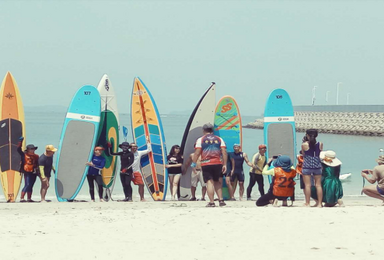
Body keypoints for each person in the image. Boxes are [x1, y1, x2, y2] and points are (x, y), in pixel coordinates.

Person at [192, 123, 227, 207]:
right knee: (217, 182)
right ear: (212, 130)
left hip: (206, 163)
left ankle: (212, 202)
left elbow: (197, 153)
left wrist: (193, 164)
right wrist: (225, 164)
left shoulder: (201, 139)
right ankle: (221, 200)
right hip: (217, 162)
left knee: (209, 182)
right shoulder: (219, 139)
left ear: (203, 130)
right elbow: (224, 152)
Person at [301, 129, 323, 207]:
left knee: (307, 185)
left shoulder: (304, 145)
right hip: (317, 165)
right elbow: (319, 153)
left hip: (307, 165)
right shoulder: (320, 144)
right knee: (318, 185)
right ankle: (320, 203)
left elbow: (304, 154)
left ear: (307, 135)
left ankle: (307, 203)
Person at [17, 138, 40, 202]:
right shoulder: (24, 155)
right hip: (27, 171)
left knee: (31, 185)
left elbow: (38, 164)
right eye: (31, 149)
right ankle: (22, 198)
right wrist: (20, 141)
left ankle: (29, 198)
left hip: (34, 172)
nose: (33, 150)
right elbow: (18, 149)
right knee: (27, 184)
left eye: (33, 149)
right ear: (28, 150)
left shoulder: (36, 156)